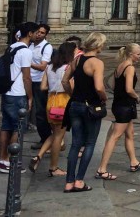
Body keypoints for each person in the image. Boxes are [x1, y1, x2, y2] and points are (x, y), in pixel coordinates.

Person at [61, 32, 108, 193]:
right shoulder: (97, 63)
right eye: (103, 44)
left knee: (75, 144)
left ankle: (68, 182)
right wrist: (104, 98)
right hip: (91, 107)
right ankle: (79, 181)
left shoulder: (77, 60)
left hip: (75, 105)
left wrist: (71, 95)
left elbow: (64, 81)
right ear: (98, 45)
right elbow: (99, 87)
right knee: (89, 144)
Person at [96, 44, 140, 180]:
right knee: (115, 136)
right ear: (131, 54)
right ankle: (102, 169)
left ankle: (134, 162)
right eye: (138, 54)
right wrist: (137, 96)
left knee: (130, 133)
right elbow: (129, 89)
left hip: (118, 104)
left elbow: (113, 86)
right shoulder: (130, 68)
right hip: (125, 106)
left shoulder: (119, 67)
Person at [29, 42, 76, 177]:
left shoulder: (49, 67)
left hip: (51, 101)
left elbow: (43, 87)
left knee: (54, 133)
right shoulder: (68, 67)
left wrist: (53, 86)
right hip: (63, 102)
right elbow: (69, 85)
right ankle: (53, 168)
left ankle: (38, 157)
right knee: (59, 137)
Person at [0, 21, 36, 173]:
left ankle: (2, 159)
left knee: (5, 126)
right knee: (18, 129)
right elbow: (27, 77)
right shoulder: (26, 51)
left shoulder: (11, 47)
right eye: (34, 32)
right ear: (30, 34)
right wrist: (30, 96)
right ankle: (11, 162)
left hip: (7, 92)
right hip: (18, 94)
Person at [29, 24, 53, 151]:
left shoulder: (46, 47)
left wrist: (28, 62)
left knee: (40, 111)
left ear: (45, 35)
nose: (39, 34)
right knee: (25, 108)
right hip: (28, 80)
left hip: (39, 82)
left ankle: (45, 139)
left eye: (42, 33)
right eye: (38, 32)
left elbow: (43, 66)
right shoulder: (30, 44)